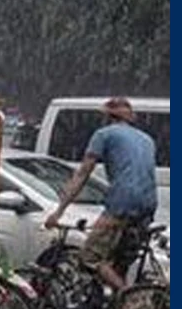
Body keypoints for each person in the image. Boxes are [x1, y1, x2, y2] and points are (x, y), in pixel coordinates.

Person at [43, 96, 158, 296]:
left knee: (90, 257)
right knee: (119, 263)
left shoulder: (103, 134)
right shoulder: (147, 139)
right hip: (148, 205)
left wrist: (59, 211)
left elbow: (82, 175)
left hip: (121, 203)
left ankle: (131, 297)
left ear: (108, 117)